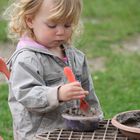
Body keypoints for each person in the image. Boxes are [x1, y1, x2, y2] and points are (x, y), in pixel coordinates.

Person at [5, 0, 103, 139]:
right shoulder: (26, 59)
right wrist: (57, 94)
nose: (61, 32)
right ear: (30, 20)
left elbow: (88, 93)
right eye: (52, 25)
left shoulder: (75, 56)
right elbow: (26, 94)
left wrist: (95, 116)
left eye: (67, 25)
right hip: (39, 135)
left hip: (71, 131)